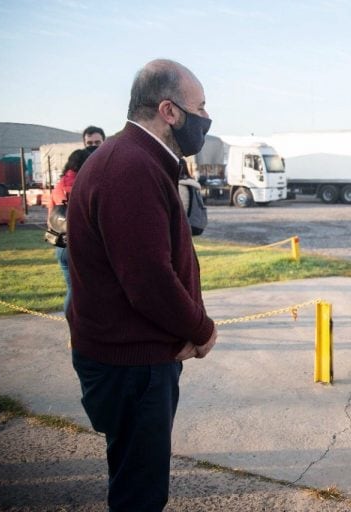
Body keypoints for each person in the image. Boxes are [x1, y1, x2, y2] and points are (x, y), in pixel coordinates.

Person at [66, 59, 217, 511]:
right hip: (134, 366)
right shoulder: (130, 166)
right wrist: (201, 329)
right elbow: (148, 281)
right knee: (140, 494)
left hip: (135, 360)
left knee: (135, 478)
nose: (207, 118)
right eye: (201, 107)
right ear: (169, 111)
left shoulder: (138, 159)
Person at [50, 148, 91, 313]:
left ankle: (72, 324)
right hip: (77, 243)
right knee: (81, 291)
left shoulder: (59, 185)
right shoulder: (84, 182)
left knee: (71, 289)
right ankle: (74, 326)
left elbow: (50, 216)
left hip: (59, 243)